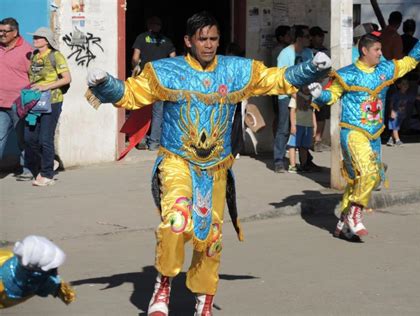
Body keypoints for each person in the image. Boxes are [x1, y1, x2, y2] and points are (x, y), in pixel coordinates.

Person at [85, 11, 331, 315]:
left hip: (216, 167)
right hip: (177, 161)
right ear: (188, 41)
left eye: (214, 38)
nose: (209, 44)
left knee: (211, 236)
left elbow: (274, 79)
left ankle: (205, 296)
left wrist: (309, 69)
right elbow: (132, 94)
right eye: (203, 39)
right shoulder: (167, 71)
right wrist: (105, 83)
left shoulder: (235, 70)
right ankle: (164, 282)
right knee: (176, 221)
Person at [310, 30, 420, 238]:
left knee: (362, 179)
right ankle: (355, 213)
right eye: (377, 50)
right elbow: (331, 95)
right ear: (364, 50)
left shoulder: (385, 70)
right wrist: (319, 94)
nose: (381, 53)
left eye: (381, 50)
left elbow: (410, 61)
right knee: (367, 173)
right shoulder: (347, 74)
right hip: (353, 132)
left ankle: (343, 223)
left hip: (375, 134)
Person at [24, 27, 71, 186]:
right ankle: (50, 160)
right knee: (30, 138)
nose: (35, 39)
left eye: (38, 37)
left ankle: (47, 174)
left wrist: (47, 86)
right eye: (34, 37)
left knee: (45, 138)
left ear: (47, 40)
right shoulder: (34, 56)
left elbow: (66, 78)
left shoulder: (56, 56)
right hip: (34, 102)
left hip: (52, 101)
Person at [131, 16, 176, 151]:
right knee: (158, 113)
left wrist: (136, 67)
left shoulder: (141, 38)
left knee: (142, 110)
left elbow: (135, 58)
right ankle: (154, 143)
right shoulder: (166, 41)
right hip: (160, 81)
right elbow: (174, 59)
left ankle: (141, 141)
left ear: (148, 25)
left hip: (145, 79)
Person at [274, 25, 314, 173]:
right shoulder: (285, 54)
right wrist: (295, 94)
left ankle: (306, 160)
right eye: (307, 36)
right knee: (285, 128)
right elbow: (282, 78)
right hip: (287, 95)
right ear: (299, 38)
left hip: (305, 95)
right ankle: (279, 159)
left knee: (305, 129)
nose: (309, 39)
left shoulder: (308, 53)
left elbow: (311, 73)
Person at [0, 235, 75, 308]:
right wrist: (67, 294)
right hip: (9, 295)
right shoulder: (44, 283)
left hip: (6, 266)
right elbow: (66, 295)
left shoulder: (12, 256)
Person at [0, 18, 32, 177]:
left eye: (5, 31)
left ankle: (27, 169)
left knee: (23, 139)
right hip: (0, 102)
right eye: (0, 31)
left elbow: (35, 77)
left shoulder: (27, 51)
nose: (1, 34)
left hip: (19, 104)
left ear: (15, 32)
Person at [387, 77, 420, 146]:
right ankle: (397, 140)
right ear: (398, 85)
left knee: (396, 128)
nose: (406, 85)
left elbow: (416, 97)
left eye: (407, 84)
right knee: (395, 128)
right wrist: (392, 111)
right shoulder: (396, 95)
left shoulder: (407, 95)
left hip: (400, 115)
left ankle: (390, 139)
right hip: (394, 114)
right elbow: (391, 104)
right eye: (403, 84)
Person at [309, 26, 331, 152]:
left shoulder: (326, 51)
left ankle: (318, 140)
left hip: (323, 88)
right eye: (319, 36)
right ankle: (308, 141)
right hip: (309, 88)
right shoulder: (307, 51)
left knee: (322, 115)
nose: (321, 38)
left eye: (322, 35)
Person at [287, 86, 317, 173]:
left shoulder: (312, 98)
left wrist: (314, 125)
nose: (307, 87)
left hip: (307, 126)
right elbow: (292, 111)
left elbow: (313, 112)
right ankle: (292, 165)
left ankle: (303, 165)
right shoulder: (296, 97)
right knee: (292, 145)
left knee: (304, 146)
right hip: (297, 125)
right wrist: (293, 125)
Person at [271, 25, 292, 136]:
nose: (290, 37)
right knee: (280, 115)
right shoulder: (280, 50)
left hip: (284, 86)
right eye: (287, 35)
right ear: (281, 37)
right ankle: (278, 140)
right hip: (278, 86)